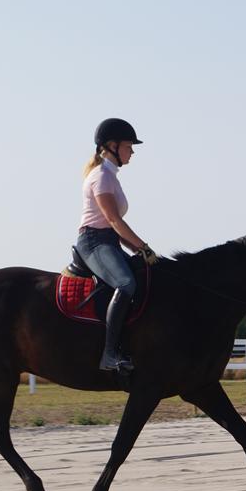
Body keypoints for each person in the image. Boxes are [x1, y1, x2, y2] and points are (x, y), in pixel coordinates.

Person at [75, 118, 158, 373]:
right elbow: (113, 219)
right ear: (112, 146)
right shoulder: (101, 176)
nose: (132, 151)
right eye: (129, 146)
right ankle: (109, 355)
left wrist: (138, 251)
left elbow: (114, 225)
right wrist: (142, 247)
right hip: (93, 242)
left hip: (107, 240)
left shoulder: (111, 176)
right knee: (125, 284)